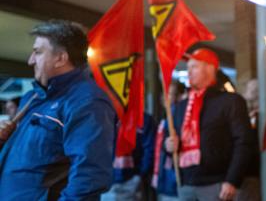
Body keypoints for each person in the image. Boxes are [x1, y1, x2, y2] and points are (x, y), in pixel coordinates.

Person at [0, 19, 117, 199]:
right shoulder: (33, 97)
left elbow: (90, 176)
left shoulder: (87, 103)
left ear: (60, 58)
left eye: (37, 52)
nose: (30, 61)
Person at [165, 48, 252, 200]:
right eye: (188, 68)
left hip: (217, 184)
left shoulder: (230, 102)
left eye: (194, 67)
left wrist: (232, 180)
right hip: (186, 183)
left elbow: (243, 142)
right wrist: (169, 145)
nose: (189, 72)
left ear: (210, 68)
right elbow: (174, 141)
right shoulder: (181, 106)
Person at [102, 112, 156, 201]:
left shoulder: (144, 119)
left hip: (132, 181)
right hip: (106, 181)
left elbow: (149, 149)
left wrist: (139, 175)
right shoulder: (105, 115)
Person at [152, 79, 186, 201]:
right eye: (164, 93)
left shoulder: (177, 114)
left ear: (179, 96)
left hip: (172, 177)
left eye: (170, 94)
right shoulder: (165, 115)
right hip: (163, 173)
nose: (165, 97)